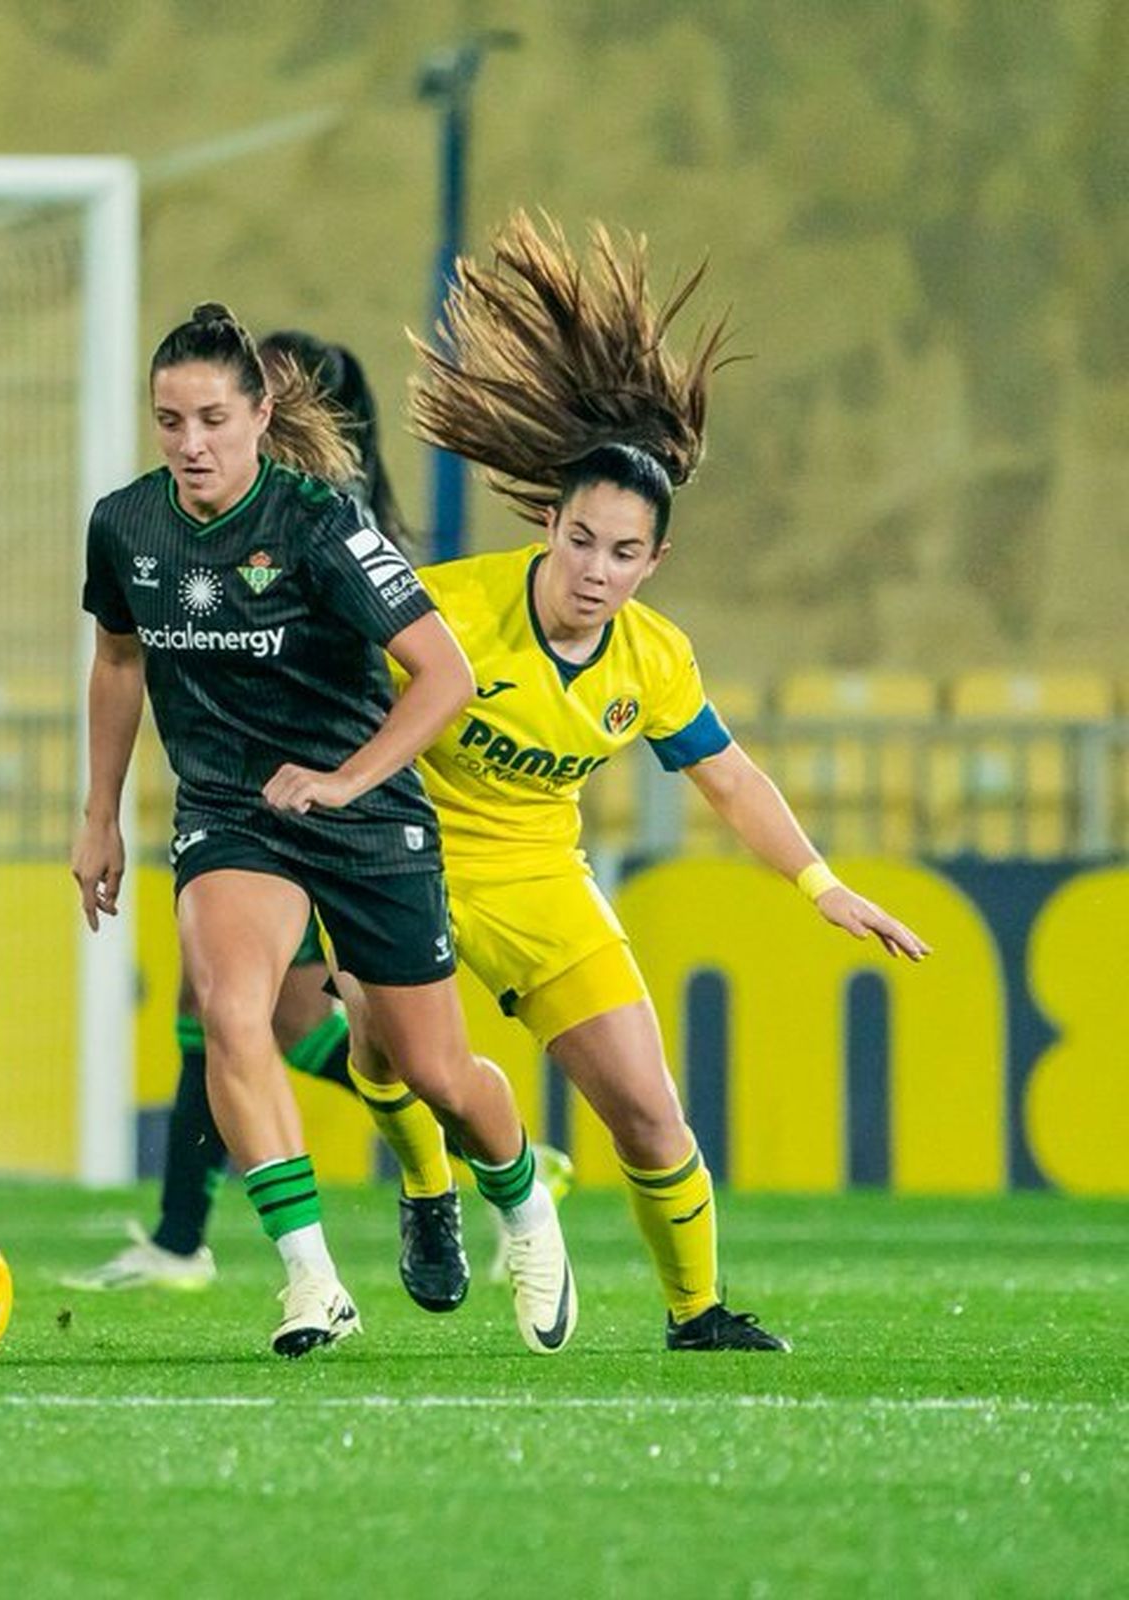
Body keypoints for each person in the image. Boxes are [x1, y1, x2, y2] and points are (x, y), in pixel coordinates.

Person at [349, 212, 932, 1351]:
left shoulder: (652, 657)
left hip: (537, 879)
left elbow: (730, 778)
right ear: (546, 523)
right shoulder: (451, 609)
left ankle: (696, 1312)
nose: (595, 572)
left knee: (649, 1111)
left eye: (623, 553)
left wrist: (820, 884)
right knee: (382, 1050)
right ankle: (427, 1193)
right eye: (579, 542)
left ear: (653, 559)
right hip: (405, 860)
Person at [71, 303, 576, 1357]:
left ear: (260, 414)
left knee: (435, 1072)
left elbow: (447, 675)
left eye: (212, 417)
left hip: (365, 812)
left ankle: (526, 1207)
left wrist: (349, 781)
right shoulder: (126, 525)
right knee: (229, 1011)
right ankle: (310, 1280)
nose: (190, 443)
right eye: (169, 421)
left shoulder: (321, 522)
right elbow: (119, 661)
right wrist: (97, 816)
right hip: (232, 815)